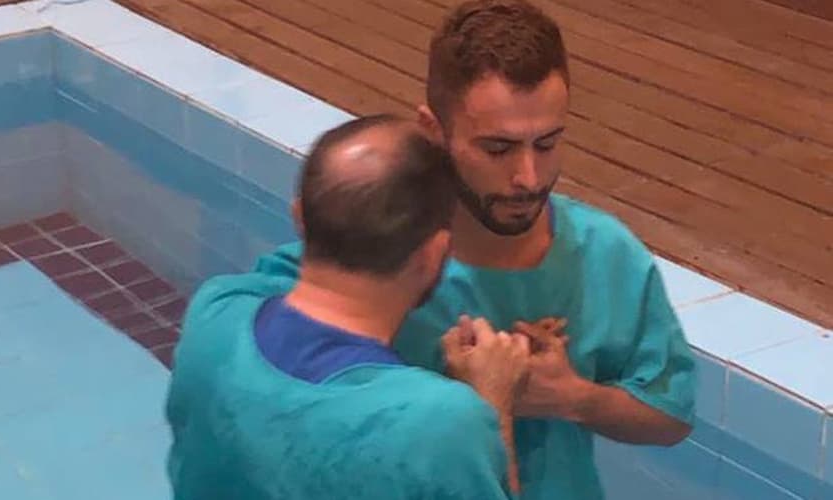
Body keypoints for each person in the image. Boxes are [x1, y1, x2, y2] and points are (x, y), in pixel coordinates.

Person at [256, 1, 698, 499]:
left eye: (547, 144)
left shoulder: (606, 255)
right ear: (433, 132)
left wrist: (574, 398)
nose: (528, 178)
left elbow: (671, 417)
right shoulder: (374, 250)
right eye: (498, 149)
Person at [165, 114, 533, 500]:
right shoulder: (438, 424)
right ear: (435, 252)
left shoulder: (216, 312)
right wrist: (494, 401)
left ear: (299, 219)